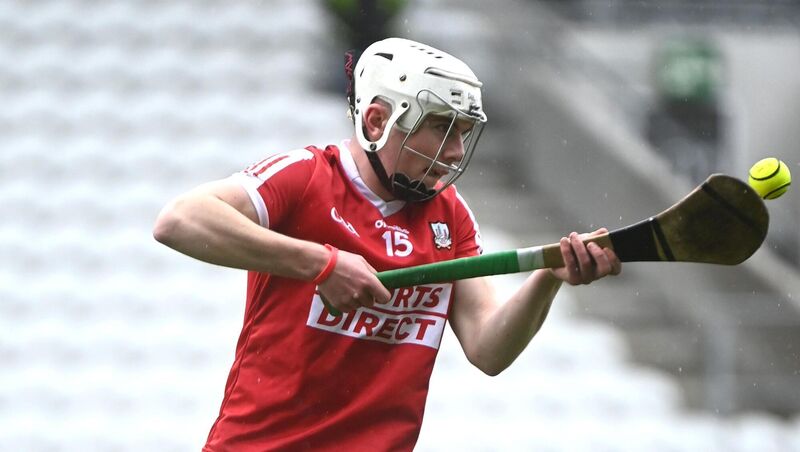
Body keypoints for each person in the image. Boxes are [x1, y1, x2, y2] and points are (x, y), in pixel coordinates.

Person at [153, 37, 621, 452]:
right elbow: (179, 220)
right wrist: (322, 263)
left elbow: (488, 348)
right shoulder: (307, 176)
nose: (456, 152)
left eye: (462, 132)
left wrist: (548, 277)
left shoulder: (450, 215)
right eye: (441, 127)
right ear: (377, 121)